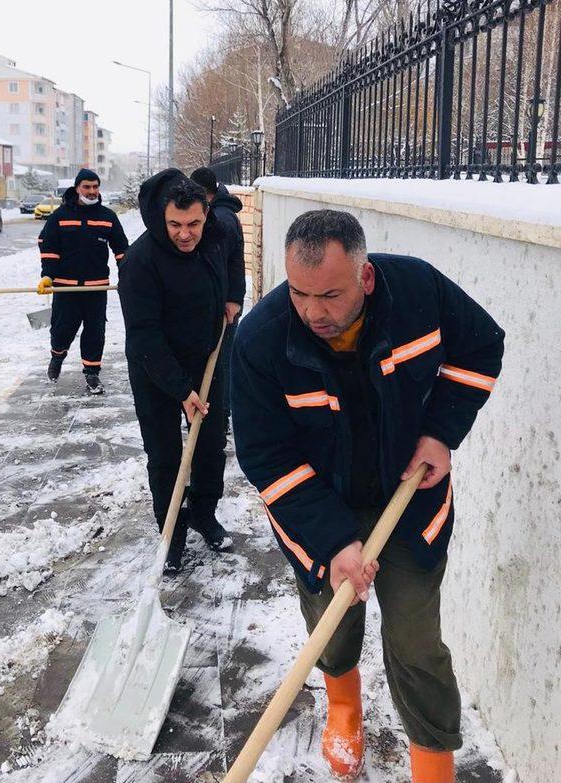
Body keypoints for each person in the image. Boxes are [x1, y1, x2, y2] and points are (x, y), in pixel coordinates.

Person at [231, 210, 504, 782]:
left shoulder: (417, 292)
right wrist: (334, 541)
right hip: (316, 507)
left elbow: (481, 348)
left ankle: (433, 764)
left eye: (330, 294)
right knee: (333, 622)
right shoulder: (261, 339)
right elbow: (267, 457)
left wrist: (439, 433)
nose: (313, 312)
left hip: (409, 497)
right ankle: (344, 706)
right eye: (300, 294)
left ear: (366, 277)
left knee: (415, 640)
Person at [118, 170, 241, 572]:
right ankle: (171, 530)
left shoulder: (215, 236)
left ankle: (204, 514)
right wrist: (182, 390)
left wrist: (232, 297)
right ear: (160, 218)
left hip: (206, 358)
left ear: (206, 215)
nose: (186, 234)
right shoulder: (139, 263)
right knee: (166, 452)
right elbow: (144, 337)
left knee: (208, 447)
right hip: (156, 368)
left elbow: (234, 257)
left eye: (194, 224)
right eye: (175, 225)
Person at [37, 168, 129, 395]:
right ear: (77, 188)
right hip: (66, 286)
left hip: (96, 287)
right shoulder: (60, 216)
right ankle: (57, 357)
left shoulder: (107, 217)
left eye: (95, 187)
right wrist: (48, 275)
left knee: (95, 332)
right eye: (86, 187)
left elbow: (121, 249)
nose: (91, 191)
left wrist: (128, 274)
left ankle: (92, 373)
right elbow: (48, 246)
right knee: (62, 329)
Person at [190, 167, 246, 434]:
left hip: (222, 306)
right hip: (223, 302)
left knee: (220, 363)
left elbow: (224, 265)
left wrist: (230, 299)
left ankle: (221, 418)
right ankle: (220, 415)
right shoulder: (221, 214)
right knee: (219, 361)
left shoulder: (220, 219)